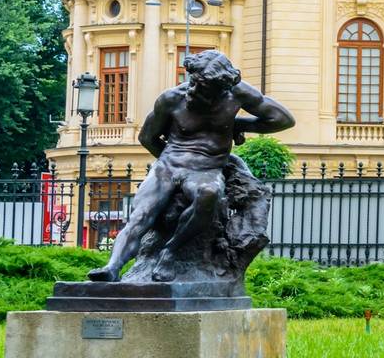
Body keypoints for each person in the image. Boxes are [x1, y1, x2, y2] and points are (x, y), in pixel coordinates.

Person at [87, 50, 293, 282]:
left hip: (207, 168)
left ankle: (170, 252)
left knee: (210, 193)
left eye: (203, 89)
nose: (193, 90)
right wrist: (168, 166)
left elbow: (283, 119)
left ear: (222, 89)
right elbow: (147, 137)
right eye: (193, 82)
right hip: (169, 163)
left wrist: (239, 124)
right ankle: (113, 267)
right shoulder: (172, 98)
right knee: (142, 213)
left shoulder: (237, 95)